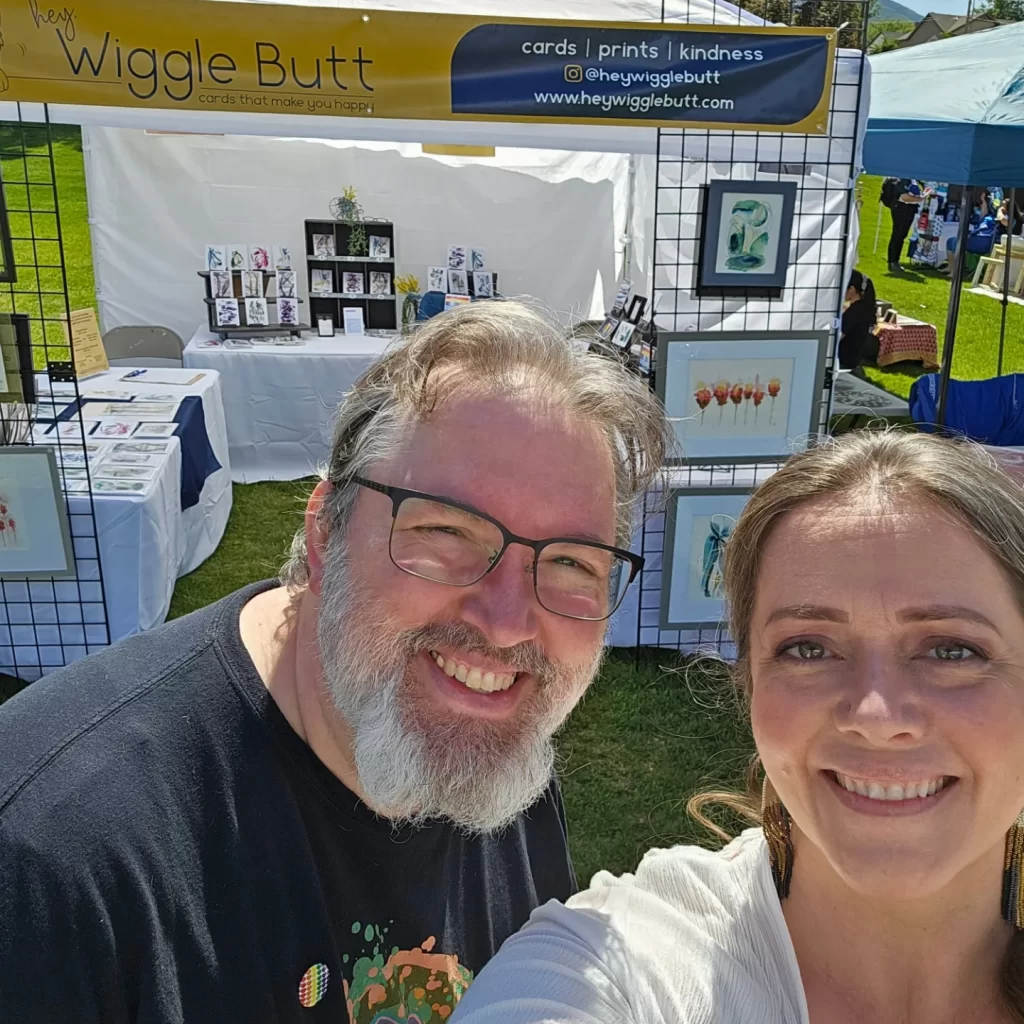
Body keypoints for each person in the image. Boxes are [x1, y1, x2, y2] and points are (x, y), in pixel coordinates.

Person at [0, 300, 670, 1023]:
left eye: (573, 562)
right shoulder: (50, 861)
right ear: (326, 536)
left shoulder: (503, 758)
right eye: (446, 531)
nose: (508, 627)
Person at [452, 430, 1024, 1024]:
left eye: (952, 651)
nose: (876, 717)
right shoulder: (617, 970)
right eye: (808, 648)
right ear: (749, 681)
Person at [837, 269, 879, 371]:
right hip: (854, 359)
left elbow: (837, 337)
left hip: (843, 361)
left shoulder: (853, 312)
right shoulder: (865, 308)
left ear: (852, 289)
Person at [884, 177, 923, 273]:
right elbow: (904, 196)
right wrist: (919, 199)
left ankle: (895, 261)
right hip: (902, 208)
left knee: (901, 235)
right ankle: (892, 261)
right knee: (898, 235)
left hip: (909, 208)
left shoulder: (915, 179)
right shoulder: (904, 180)